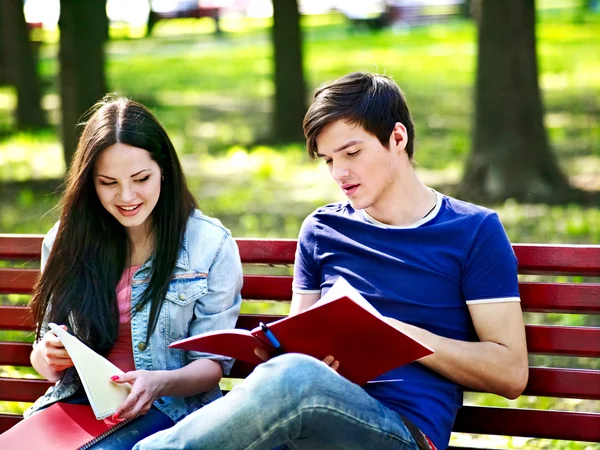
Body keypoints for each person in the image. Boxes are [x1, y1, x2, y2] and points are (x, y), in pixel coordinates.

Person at [134, 72, 528, 450]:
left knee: (296, 378)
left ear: (397, 137)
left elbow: (510, 373)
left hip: (401, 432)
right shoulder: (322, 229)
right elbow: (294, 349)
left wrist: (397, 333)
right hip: (306, 421)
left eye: (352, 152)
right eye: (327, 160)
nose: (339, 173)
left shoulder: (473, 231)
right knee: (293, 373)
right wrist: (295, 355)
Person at [26, 96, 243, 449]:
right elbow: (44, 352)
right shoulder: (66, 240)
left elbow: (211, 367)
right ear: (89, 184)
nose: (126, 196)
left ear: (164, 171)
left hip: (169, 412)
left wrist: (157, 381)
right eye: (108, 183)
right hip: (79, 407)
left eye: (140, 178)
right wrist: (49, 355)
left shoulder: (209, 244)